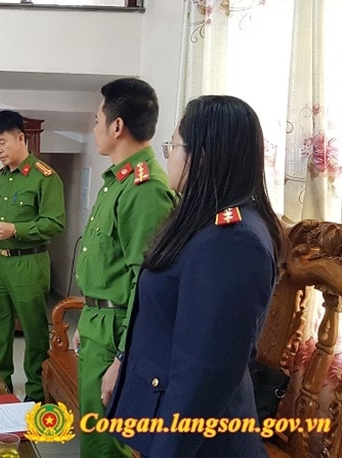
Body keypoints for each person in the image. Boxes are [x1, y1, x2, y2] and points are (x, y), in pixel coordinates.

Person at [107, 95, 283, 457]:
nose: (168, 156)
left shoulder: (233, 239)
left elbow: (204, 373)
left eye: (174, 146)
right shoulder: (204, 221)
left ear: (200, 156)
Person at [73, 78, 176, 456]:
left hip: (118, 335)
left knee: (108, 447)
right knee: (93, 438)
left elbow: (146, 285)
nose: (94, 128)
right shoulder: (116, 182)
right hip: (98, 325)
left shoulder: (144, 190)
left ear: (117, 126)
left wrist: (123, 357)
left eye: (96, 120)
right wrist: (87, 319)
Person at [0, 110, 66, 402]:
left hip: (28, 263)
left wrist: (16, 229)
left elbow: (55, 223)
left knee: (34, 333)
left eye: (2, 143)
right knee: (0, 330)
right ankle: (0, 387)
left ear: (21, 138)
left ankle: (36, 394)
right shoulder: (0, 179)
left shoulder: (44, 177)